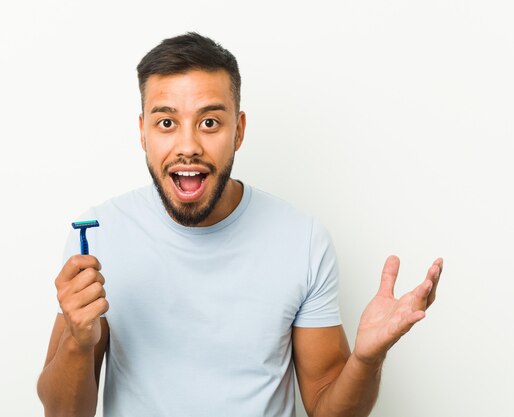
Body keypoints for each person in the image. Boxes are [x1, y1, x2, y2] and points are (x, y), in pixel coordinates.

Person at [37, 32, 443, 417]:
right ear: (142, 132)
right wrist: (77, 340)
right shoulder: (98, 239)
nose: (188, 145)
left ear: (240, 130)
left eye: (210, 122)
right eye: (166, 123)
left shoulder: (301, 240)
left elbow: (327, 406)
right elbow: (62, 413)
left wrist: (367, 359)